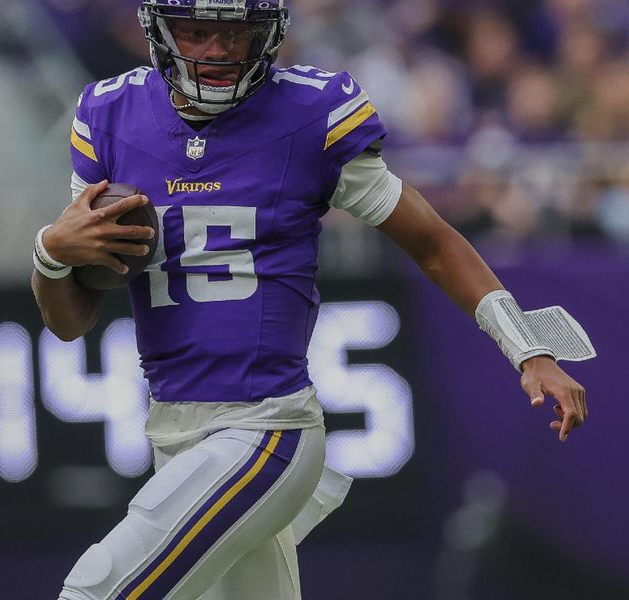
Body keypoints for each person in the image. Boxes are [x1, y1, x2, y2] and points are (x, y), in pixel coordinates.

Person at [31, 1, 592, 598]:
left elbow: (432, 242)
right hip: (172, 431)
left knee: (95, 589)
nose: (218, 52)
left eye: (235, 33)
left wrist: (528, 347)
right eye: (197, 32)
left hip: (266, 427)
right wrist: (50, 252)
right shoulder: (110, 114)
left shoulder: (310, 111)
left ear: (268, 34)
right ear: (159, 31)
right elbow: (69, 321)